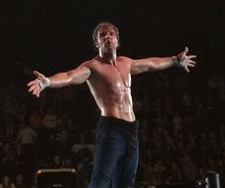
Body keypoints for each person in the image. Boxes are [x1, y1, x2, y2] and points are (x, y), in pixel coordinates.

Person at [27, 22, 196, 188]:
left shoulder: (126, 63)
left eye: (111, 34)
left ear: (117, 41)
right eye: (102, 35)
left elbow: (151, 64)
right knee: (101, 178)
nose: (108, 36)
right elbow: (70, 76)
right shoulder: (93, 66)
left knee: (126, 182)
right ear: (97, 43)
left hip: (131, 129)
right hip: (112, 128)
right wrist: (47, 82)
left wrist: (174, 60)